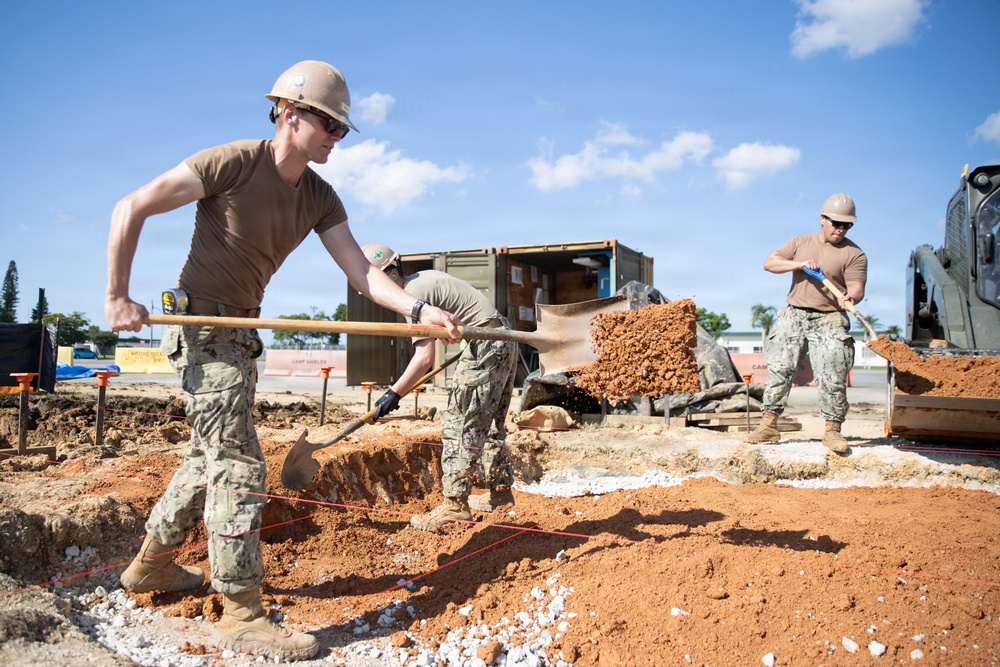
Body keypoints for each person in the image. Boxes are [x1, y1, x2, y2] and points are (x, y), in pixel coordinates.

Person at [105, 61, 461, 661]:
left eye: (342, 131)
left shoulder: (320, 196)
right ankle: (241, 613)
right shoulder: (232, 163)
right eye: (329, 125)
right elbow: (131, 206)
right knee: (241, 464)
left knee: (207, 458)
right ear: (289, 113)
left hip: (240, 336)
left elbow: (363, 271)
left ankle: (150, 566)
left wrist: (413, 310)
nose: (335, 139)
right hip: (201, 330)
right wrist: (117, 296)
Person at [360, 243, 518, 531]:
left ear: (392, 275)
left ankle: (455, 504)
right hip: (501, 336)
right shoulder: (425, 279)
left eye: (375, 284)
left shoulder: (414, 296)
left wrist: (393, 393)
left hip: (485, 343)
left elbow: (424, 358)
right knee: (490, 423)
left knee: (459, 424)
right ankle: (500, 492)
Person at [745, 193, 868, 454]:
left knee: (833, 373)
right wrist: (799, 264)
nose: (841, 229)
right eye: (836, 223)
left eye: (846, 225)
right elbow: (770, 263)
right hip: (795, 313)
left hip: (831, 317)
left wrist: (851, 296)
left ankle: (832, 430)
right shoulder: (801, 242)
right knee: (781, 369)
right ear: (822, 219)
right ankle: (768, 425)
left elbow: (857, 286)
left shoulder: (854, 254)